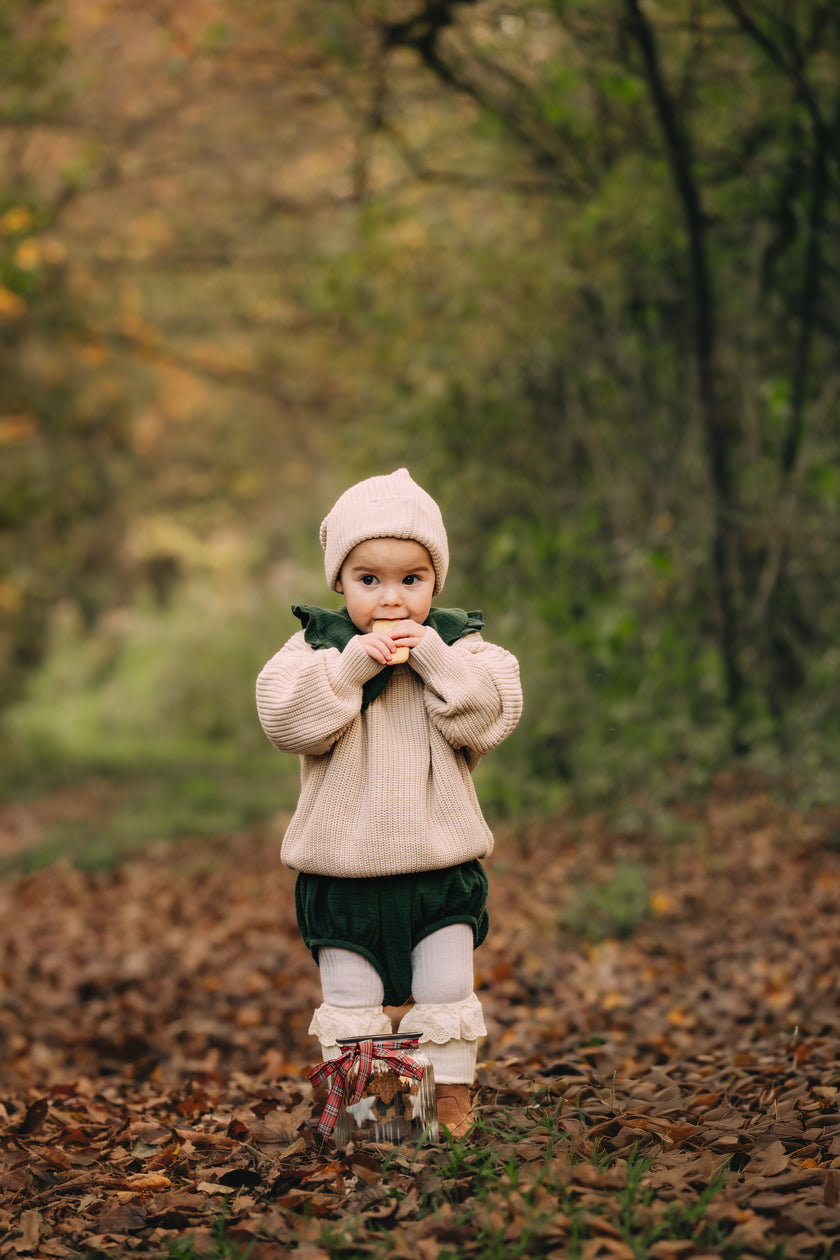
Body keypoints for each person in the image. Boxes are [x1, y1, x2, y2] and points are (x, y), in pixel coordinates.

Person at [256, 468, 522, 1136]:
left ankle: (445, 1100)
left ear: (436, 582)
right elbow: (288, 722)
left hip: (439, 867)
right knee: (351, 996)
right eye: (368, 580)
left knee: (445, 989)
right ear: (339, 583)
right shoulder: (314, 651)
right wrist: (352, 666)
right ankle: (358, 1104)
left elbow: (487, 716)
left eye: (413, 579)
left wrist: (434, 660)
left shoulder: (464, 648)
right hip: (343, 872)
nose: (392, 599)